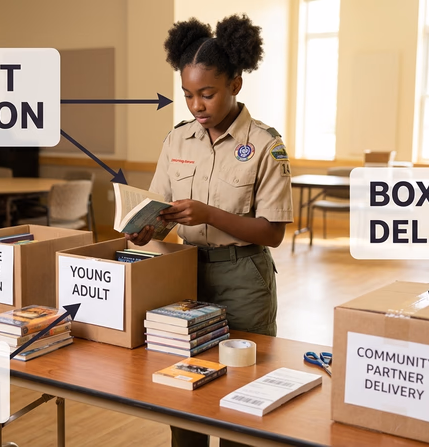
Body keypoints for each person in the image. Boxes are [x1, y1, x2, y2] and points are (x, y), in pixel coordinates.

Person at [125, 14, 293, 447]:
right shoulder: (176, 141)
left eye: (207, 94)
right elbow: (160, 210)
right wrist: (144, 231)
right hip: (183, 277)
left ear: (236, 84)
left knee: (241, 394)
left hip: (243, 279)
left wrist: (209, 214)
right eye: (187, 95)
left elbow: (272, 233)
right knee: (182, 391)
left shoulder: (265, 145)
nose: (196, 105)